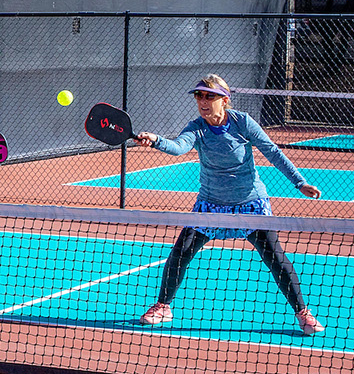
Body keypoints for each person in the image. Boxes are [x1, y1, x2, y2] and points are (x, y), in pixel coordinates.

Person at [132, 74, 325, 335]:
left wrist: (299, 182)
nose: (202, 101)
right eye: (199, 96)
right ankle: (163, 306)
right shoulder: (196, 127)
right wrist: (156, 140)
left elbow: (272, 151)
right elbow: (178, 147)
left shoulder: (242, 122)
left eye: (209, 96)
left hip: (250, 203)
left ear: (224, 100)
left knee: (274, 257)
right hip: (210, 204)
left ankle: (303, 313)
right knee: (181, 253)